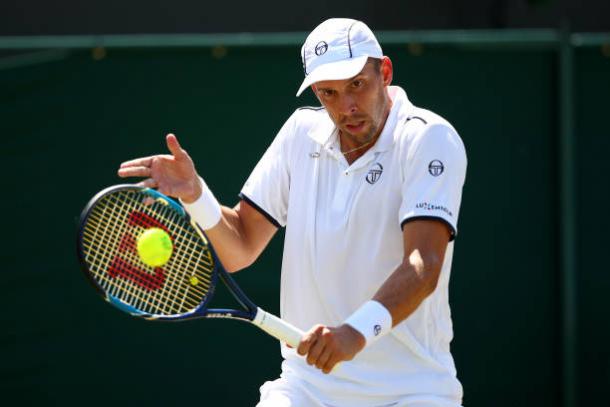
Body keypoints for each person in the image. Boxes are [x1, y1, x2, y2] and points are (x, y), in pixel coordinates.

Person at [118, 18, 467, 407]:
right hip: (308, 389)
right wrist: (195, 194)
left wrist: (355, 332)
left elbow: (424, 264)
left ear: (384, 72)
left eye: (357, 85)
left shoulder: (428, 138)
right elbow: (241, 248)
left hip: (413, 392)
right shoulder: (301, 133)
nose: (346, 107)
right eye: (328, 93)